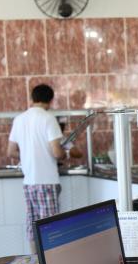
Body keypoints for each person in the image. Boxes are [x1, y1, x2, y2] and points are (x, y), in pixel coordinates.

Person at [7, 84, 82, 253]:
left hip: (29, 183)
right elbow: (57, 152)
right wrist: (66, 155)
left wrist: (28, 156)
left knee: (32, 225)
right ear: (50, 100)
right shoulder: (48, 118)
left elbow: (10, 151)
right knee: (50, 227)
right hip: (47, 181)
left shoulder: (19, 119)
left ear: (32, 99)